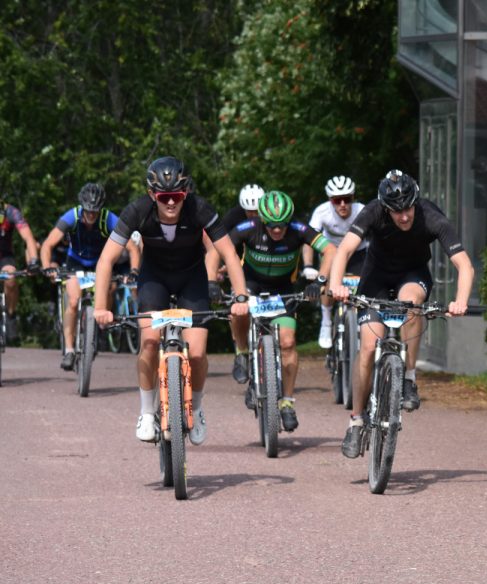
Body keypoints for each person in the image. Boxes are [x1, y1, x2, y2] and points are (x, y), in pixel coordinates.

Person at [93, 156, 250, 444]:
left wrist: (240, 296)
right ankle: (146, 413)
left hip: (192, 278)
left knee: (198, 354)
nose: (170, 203)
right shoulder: (137, 210)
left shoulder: (200, 209)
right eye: (163, 196)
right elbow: (106, 260)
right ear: (152, 194)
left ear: (185, 192)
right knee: (150, 343)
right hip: (154, 278)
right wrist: (101, 307)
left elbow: (228, 253)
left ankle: (197, 408)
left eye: (176, 196)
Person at [328, 170, 475, 458]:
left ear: (416, 202)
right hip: (376, 277)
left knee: (411, 304)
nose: (404, 216)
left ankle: (408, 377)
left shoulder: (431, 217)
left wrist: (460, 301)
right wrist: (336, 285)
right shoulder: (373, 211)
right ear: (386, 208)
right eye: (397, 211)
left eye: (408, 209)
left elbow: (464, 265)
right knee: (367, 347)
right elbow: (344, 250)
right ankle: (356, 420)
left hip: (413, 274)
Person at [211, 189, 333, 432]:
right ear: (262, 220)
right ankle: (242, 352)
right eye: (271, 225)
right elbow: (217, 250)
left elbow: (330, 250)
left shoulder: (298, 229)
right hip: (251, 285)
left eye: (282, 225)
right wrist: (212, 282)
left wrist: (319, 281)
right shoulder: (248, 228)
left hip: (283, 289)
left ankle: (287, 401)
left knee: (288, 343)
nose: (277, 230)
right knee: (238, 310)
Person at [40, 183, 142, 370]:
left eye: (95, 211)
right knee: (73, 300)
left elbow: (132, 248)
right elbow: (48, 244)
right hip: (76, 262)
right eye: (88, 211)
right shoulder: (71, 216)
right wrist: (47, 267)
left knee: (110, 288)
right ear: (82, 207)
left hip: (100, 263)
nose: (92, 215)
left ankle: (100, 327)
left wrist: (134, 271)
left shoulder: (109, 218)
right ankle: (69, 350)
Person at [304, 175, 368, 348]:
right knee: (326, 284)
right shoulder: (322, 212)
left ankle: (359, 323)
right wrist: (308, 266)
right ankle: (326, 322)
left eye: (347, 199)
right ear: (330, 200)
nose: (342, 204)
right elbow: (308, 240)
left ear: (353, 198)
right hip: (331, 254)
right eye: (337, 200)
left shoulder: (362, 211)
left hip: (357, 254)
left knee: (363, 288)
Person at [0, 193, 41, 343]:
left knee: (11, 279)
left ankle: (10, 315)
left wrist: (33, 261)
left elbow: (28, 238)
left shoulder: (12, 212)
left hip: (4, 256)